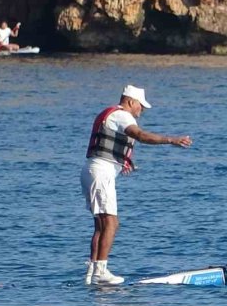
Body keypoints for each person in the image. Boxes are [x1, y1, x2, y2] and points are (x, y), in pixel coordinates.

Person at [81, 85, 192, 285]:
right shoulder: (123, 116)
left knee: (101, 224)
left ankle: (93, 272)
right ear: (131, 102)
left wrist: (123, 161)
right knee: (111, 223)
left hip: (93, 170)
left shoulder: (111, 114)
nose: (141, 112)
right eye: (141, 107)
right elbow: (140, 135)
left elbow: (112, 145)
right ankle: (101, 272)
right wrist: (171, 140)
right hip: (100, 172)